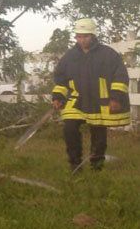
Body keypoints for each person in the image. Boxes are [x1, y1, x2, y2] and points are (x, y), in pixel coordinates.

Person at [52, 18, 130, 172]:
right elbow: (61, 79)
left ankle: (96, 164)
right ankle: (75, 164)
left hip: (99, 102)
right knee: (70, 128)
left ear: (93, 35)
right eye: (79, 36)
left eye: (85, 36)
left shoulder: (108, 54)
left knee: (98, 134)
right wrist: (58, 97)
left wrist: (115, 98)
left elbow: (120, 77)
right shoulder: (69, 57)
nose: (82, 40)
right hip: (77, 101)